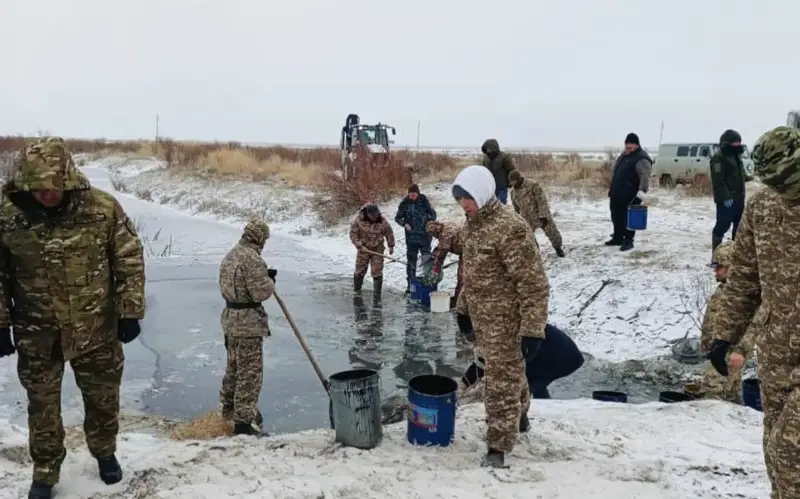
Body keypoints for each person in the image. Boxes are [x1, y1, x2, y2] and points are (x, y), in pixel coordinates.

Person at [0, 137, 145, 499]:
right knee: (42, 406)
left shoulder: (101, 209)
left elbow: (128, 257)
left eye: (53, 186)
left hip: (96, 326)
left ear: (68, 176)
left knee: (102, 397)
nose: (46, 194)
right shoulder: (8, 215)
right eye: (38, 187)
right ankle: (46, 470)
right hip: (37, 332)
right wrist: (0, 323)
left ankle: (105, 452)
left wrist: (130, 310)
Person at [706, 126, 800, 499]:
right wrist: (723, 334)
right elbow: (744, 281)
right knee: (776, 458)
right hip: (777, 354)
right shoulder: (763, 208)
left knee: (791, 453)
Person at [452, 165, 550, 468]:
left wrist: (533, 329)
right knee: (510, 374)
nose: (463, 205)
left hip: (508, 323)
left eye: (466, 198)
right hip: (484, 322)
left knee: (500, 382)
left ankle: (498, 446)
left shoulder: (511, 227)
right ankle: (520, 418)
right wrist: (464, 311)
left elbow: (533, 283)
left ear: (481, 193)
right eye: (459, 200)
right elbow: (475, 276)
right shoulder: (473, 225)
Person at [218, 218, 276, 437]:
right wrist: (270, 281)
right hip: (248, 325)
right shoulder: (252, 259)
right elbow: (260, 292)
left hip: (231, 320)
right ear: (260, 237)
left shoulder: (230, 256)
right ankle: (243, 423)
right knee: (249, 374)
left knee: (233, 368)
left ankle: (228, 410)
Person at [458, 321, 584, 399]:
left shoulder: (498, 334)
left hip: (561, 355)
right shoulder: (495, 327)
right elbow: (481, 363)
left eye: (472, 338)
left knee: (521, 387)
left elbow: (483, 364)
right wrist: (463, 385)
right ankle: (543, 406)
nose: (472, 343)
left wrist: (462, 387)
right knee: (531, 378)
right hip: (560, 353)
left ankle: (526, 417)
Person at [699, 241, 753, 403]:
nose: (715, 272)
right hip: (717, 351)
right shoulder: (725, 287)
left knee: (712, 396)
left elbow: (754, 325)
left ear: (731, 266)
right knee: (729, 395)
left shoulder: (744, 293)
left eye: (719, 267)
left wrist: (741, 351)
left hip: (729, 353)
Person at [606, 133, 652, 252]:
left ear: (636, 145)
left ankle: (628, 241)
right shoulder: (624, 155)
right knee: (616, 216)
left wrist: (640, 195)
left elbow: (644, 178)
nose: (628, 146)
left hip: (630, 194)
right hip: (617, 193)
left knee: (628, 219)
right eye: (626, 143)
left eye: (631, 144)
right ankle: (618, 238)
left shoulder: (642, 159)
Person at [508, 170, 565, 257]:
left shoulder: (532, 184)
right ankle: (536, 253)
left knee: (552, 232)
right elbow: (516, 207)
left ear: (519, 179)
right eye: (511, 182)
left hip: (539, 214)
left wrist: (543, 215)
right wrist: (518, 219)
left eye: (514, 181)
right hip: (526, 217)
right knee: (529, 237)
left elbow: (541, 200)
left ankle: (558, 249)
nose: (512, 184)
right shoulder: (513, 192)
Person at [710, 129, 748, 256]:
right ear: (726, 143)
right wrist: (725, 197)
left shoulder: (736, 155)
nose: (737, 145)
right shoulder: (718, 158)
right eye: (734, 143)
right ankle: (716, 255)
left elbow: (738, 174)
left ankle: (735, 255)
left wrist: (748, 177)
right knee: (722, 226)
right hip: (726, 200)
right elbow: (718, 180)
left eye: (739, 142)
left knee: (739, 227)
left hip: (739, 198)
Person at [394, 184, 437, 294]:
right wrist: (404, 224)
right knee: (411, 262)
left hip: (425, 237)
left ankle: (429, 283)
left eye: (414, 194)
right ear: (408, 194)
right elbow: (397, 218)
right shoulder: (404, 203)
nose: (412, 196)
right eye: (410, 194)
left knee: (427, 260)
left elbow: (433, 214)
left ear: (418, 193)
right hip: (411, 238)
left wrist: (429, 223)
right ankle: (410, 285)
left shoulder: (423, 200)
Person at [349, 203, 395, 296]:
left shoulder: (382, 221)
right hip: (363, 248)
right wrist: (359, 245)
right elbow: (353, 234)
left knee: (377, 270)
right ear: (368, 214)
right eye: (372, 215)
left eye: (376, 215)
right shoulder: (358, 221)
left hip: (377, 248)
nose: (374, 217)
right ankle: (357, 291)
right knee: (360, 269)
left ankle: (377, 294)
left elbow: (389, 233)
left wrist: (391, 246)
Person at [424, 220, 464, 309]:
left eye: (433, 234)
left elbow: (442, 252)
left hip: (468, 252)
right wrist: (433, 254)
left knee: (462, 278)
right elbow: (441, 246)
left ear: (435, 231)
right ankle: (458, 299)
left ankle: (459, 302)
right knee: (461, 278)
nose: (433, 236)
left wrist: (436, 269)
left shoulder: (444, 234)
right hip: (465, 249)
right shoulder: (445, 225)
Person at [480, 138, 516, 204]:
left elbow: (512, 170)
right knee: (490, 206)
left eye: (489, 148)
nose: (488, 150)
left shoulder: (504, 157)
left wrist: (511, 181)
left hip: (501, 187)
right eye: (487, 149)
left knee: (501, 205)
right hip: (490, 187)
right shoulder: (485, 159)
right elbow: (484, 172)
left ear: (494, 148)